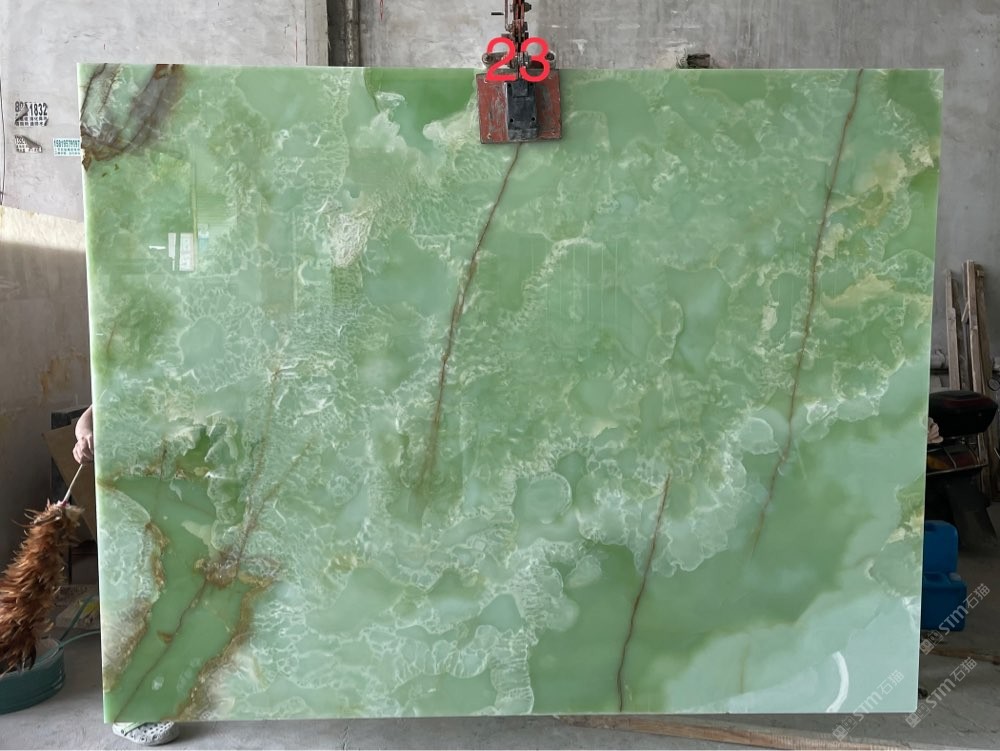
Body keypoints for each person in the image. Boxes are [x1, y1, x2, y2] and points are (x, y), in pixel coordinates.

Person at [74, 405, 181, 747]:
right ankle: (129, 711)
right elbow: (89, 417)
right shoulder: (124, 374)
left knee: (167, 596)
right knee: (132, 597)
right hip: (126, 495)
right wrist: (84, 438)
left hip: (171, 488)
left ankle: (159, 695)